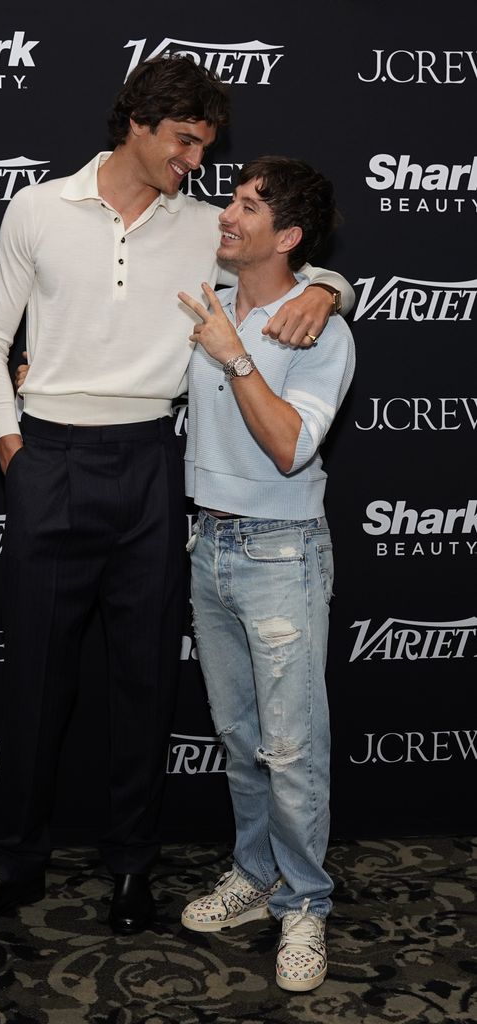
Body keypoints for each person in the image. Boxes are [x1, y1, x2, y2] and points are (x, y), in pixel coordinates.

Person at [0, 56, 353, 937]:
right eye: (184, 140)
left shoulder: (207, 223)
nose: (195, 160)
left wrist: (328, 287)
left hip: (151, 468)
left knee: (142, 688)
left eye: (205, 146)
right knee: (34, 687)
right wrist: (15, 448)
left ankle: (131, 870)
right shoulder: (38, 209)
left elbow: (286, 257)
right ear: (138, 123)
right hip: (48, 455)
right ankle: (14, 866)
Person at [177, 155, 355, 990]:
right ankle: (256, 877)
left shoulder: (317, 326)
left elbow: (288, 447)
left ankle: (305, 906)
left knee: (291, 747)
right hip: (207, 546)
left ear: (286, 236)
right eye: (232, 197)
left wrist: (234, 355)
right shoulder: (207, 298)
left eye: (249, 206)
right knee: (240, 741)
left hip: (280, 553)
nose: (227, 214)